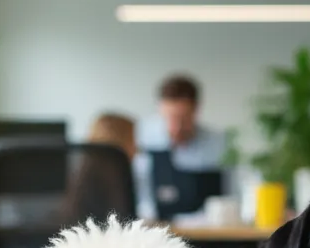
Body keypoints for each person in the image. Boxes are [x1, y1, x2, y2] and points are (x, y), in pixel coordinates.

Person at [135, 75, 228, 220]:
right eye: (170, 118)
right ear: (159, 109)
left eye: (183, 119)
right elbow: (140, 197)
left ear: (196, 109)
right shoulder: (141, 141)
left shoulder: (217, 144)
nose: (177, 127)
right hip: (157, 229)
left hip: (209, 231)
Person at [62, 112, 138, 224]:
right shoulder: (113, 177)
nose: (136, 147)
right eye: (133, 139)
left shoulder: (82, 171)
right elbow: (122, 224)